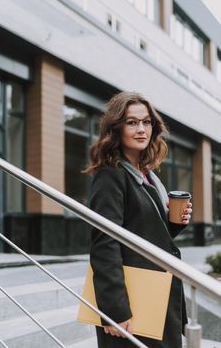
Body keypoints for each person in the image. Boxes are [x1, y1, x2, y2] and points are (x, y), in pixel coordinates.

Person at [84, 92, 192, 348]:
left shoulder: (148, 177)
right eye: (132, 122)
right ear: (115, 128)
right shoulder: (111, 175)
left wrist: (173, 225)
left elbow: (143, 235)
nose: (141, 129)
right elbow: (104, 243)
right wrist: (115, 311)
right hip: (131, 302)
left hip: (154, 292)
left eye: (146, 122)